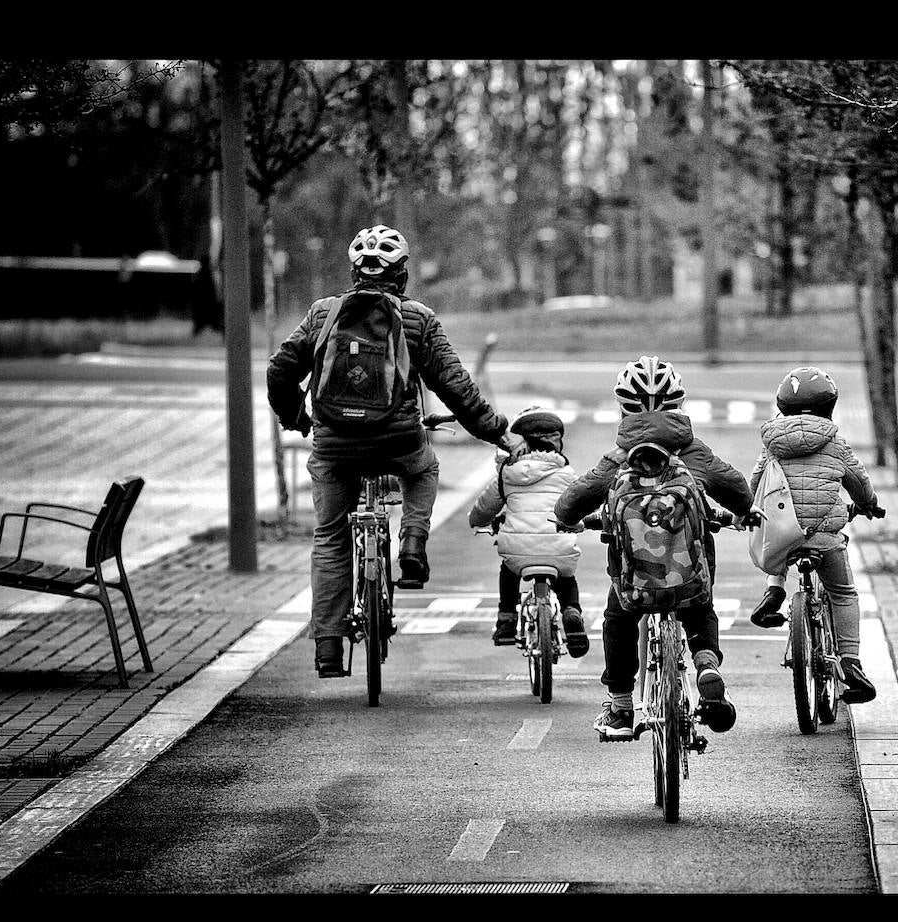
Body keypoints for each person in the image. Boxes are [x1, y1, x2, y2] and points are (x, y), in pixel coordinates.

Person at [267, 225, 526, 677]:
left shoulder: (322, 314)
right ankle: (411, 544)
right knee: (424, 470)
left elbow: (279, 372)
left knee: (329, 537)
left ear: (353, 273)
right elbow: (456, 388)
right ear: (401, 275)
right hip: (399, 440)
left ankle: (328, 646)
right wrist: (496, 432)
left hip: (334, 448)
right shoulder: (418, 320)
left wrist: (297, 419)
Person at [554, 356, 756, 740]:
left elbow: (574, 500)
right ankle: (707, 664)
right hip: (690, 569)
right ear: (678, 403)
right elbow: (735, 486)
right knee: (699, 608)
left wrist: (566, 518)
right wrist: (747, 512)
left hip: (635, 578)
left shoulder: (618, 460)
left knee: (618, 617)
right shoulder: (695, 453)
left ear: (623, 407)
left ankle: (621, 705)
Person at [747, 366, 880, 704]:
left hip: (784, 536)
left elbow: (758, 481)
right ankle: (850, 664)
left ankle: (774, 592)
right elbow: (859, 482)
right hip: (824, 537)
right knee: (843, 593)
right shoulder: (835, 442)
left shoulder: (773, 442)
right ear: (829, 405)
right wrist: (868, 505)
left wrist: (743, 511)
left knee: (777, 529)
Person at [468, 405, 589, 657]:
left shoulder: (507, 474)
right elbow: (581, 505)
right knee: (567, 580)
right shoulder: (566, 474)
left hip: (518, 552)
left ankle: (507, 620)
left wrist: (476, 520)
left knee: (508, 570)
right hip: (559, 547)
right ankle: (572, 613)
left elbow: (484, 509)